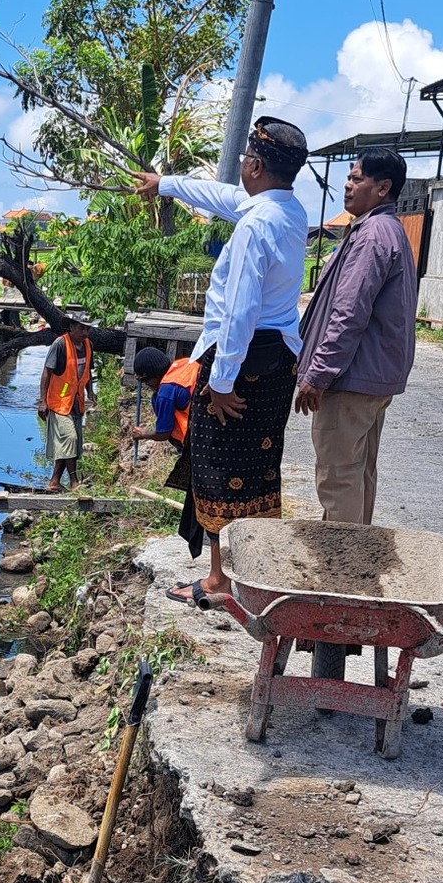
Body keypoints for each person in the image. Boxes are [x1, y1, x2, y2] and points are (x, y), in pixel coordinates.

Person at [134, 116, 309, 603]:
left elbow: (239, 312)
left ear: (255, 166)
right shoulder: (289, 210)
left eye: (245, 160)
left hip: (242, 361)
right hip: (277, 360)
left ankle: (218, 581)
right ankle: (253, 572)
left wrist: (223, 381)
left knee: (216, 467)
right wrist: (166, 184)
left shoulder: (255, 226)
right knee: (260, 469)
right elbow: (223, 197)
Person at [294, 148, 416, 525]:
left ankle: (340, 558)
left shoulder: (373, 235)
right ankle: (357, 552)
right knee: (358, 472)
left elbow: (348, 313)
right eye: (349, 177)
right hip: (369, 377)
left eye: (357, 178)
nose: (347, 185)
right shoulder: (383, 229)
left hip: (351, 378)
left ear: (383, 188)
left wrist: (318, 374)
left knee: (339, 477)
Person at [36, 318, 95, 491]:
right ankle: (74, 482)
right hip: (59, 402)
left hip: (76, 402)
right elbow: (46, 373)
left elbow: (87, 371)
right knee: (70, 438)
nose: (85, 333)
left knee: (69, 445)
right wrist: (42, 401)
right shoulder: (60, 344)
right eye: (81, 328)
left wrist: (90, 391)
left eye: (87, 329)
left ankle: (54, 481)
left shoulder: (88, 345)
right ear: (71, 327)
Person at [130, 346, 200, 472]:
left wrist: (143, 434)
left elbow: (163, 433)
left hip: (198, 439)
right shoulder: (185, 363)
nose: (148, 385)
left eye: (146, 381)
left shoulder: (165, 393)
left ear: (155, 376)